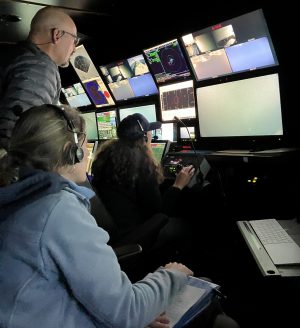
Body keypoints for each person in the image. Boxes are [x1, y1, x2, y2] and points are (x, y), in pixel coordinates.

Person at [0, 104, 239, 328]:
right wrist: (171, 274)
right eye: (82, 143)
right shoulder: (57, 209)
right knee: (209, 295)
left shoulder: (17, 201)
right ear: (72, 152)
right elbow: (128, 311)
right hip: (129, 243)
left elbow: (58, 296)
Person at [91, 113, 196, 260]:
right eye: (149, 133)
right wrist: (178, 185)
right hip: (135, 234)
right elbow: (158, 212)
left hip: (115, 232)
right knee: (184, 226)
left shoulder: (106, 159)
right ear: (144, 138)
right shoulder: (140, 164)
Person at [0, 6, 78, 151]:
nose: (74, 49)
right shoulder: (40, 68)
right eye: (74, 40)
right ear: (57, 35)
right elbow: (17, 137)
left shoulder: (17, 56)